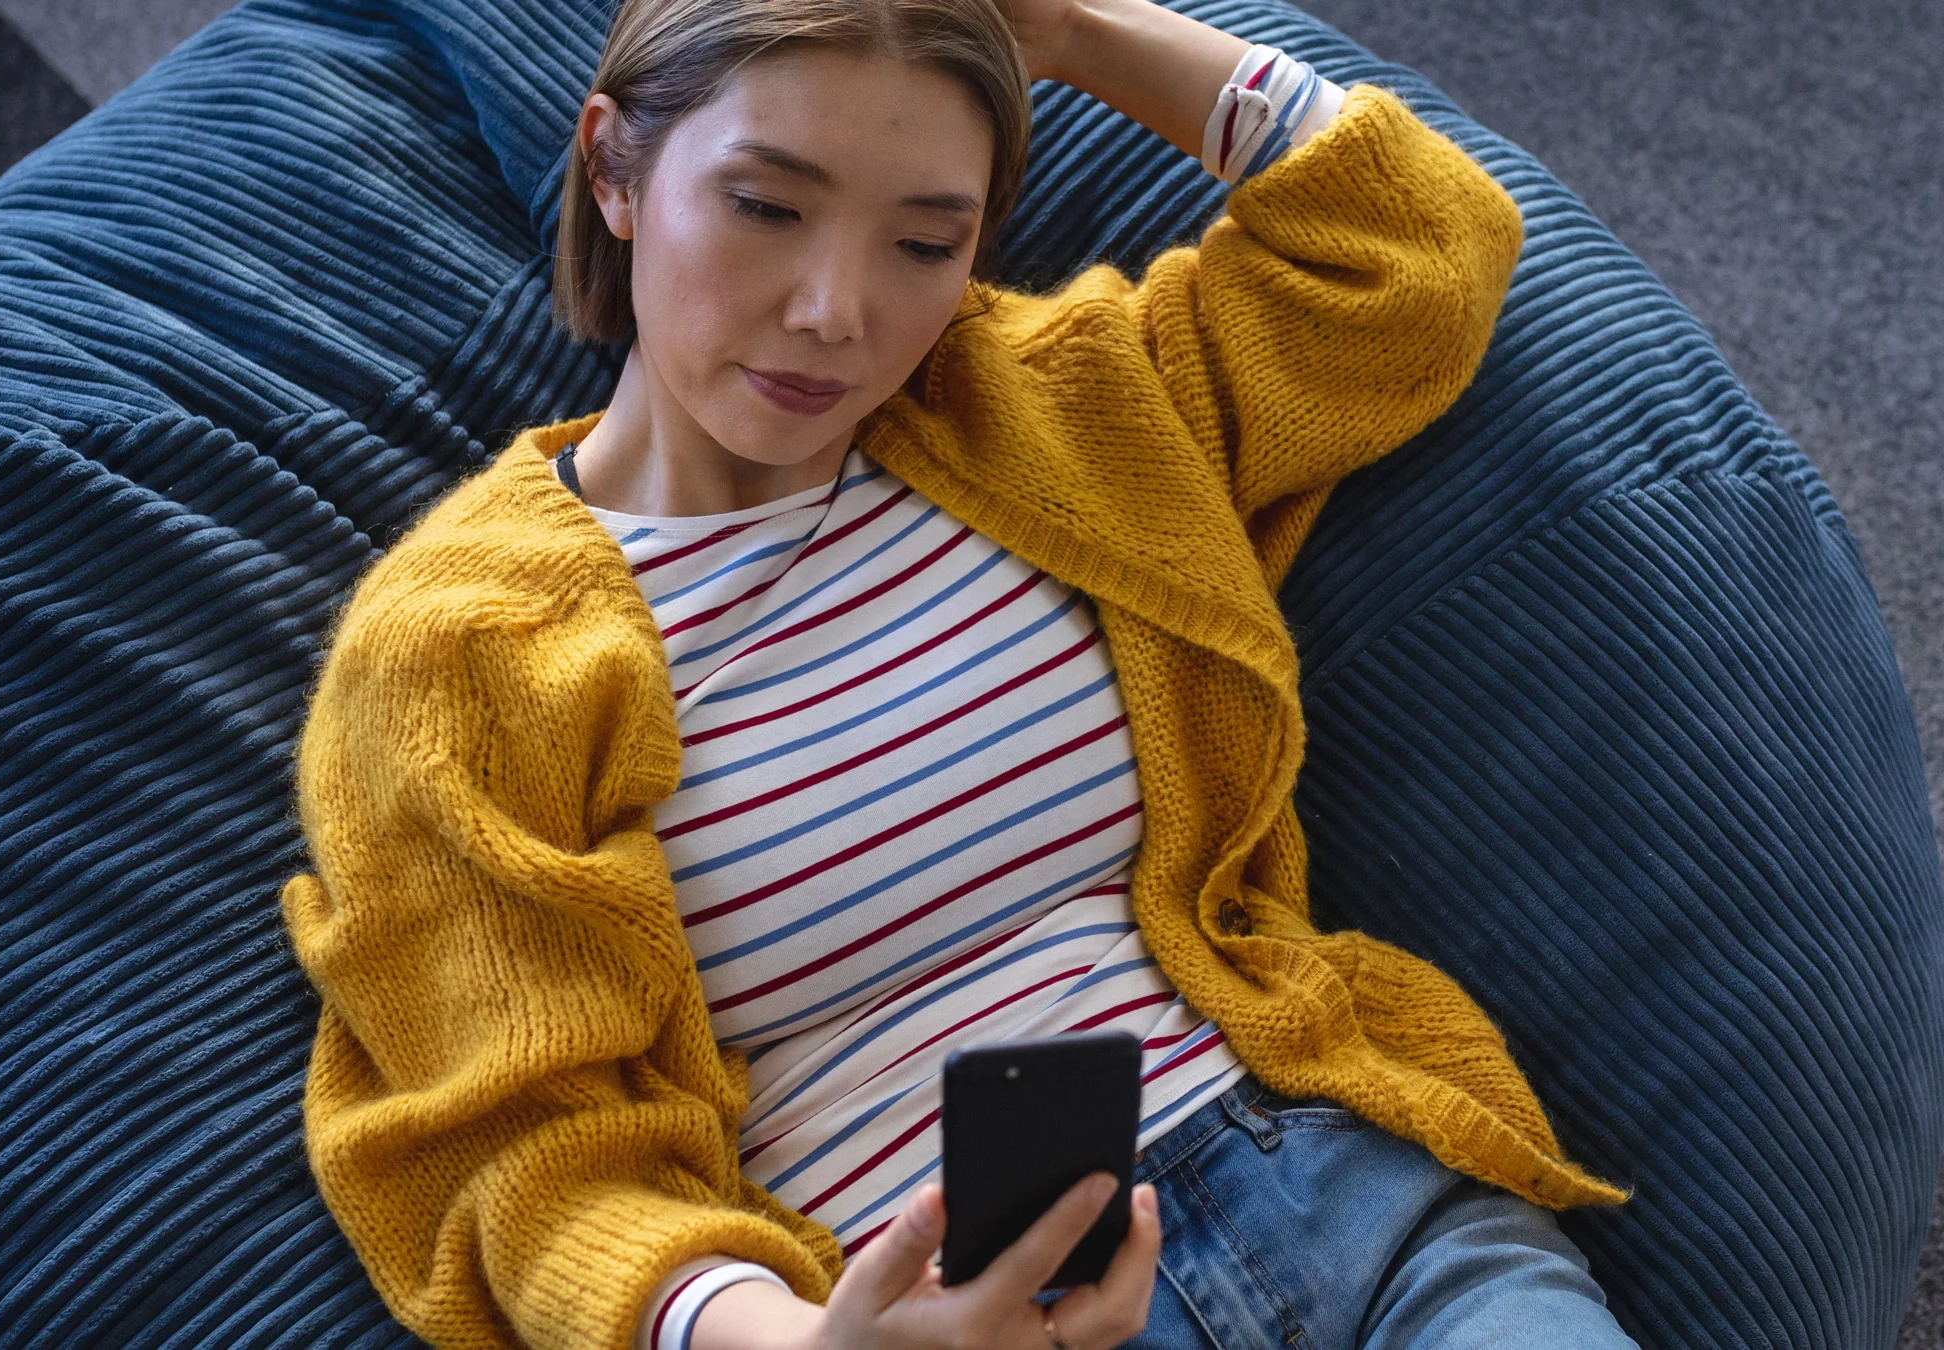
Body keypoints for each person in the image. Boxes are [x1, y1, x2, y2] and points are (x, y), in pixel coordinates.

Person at [279, 0, 1644, 1346]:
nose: (834, 312)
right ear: (613, 166)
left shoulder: (1049, 409)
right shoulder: (462, 648)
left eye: (925, 240)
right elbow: (535, 1154)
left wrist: (1079, 32)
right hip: (935, 1307)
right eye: (766, 205)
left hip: (1354, 1204)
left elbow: (1418, 244)